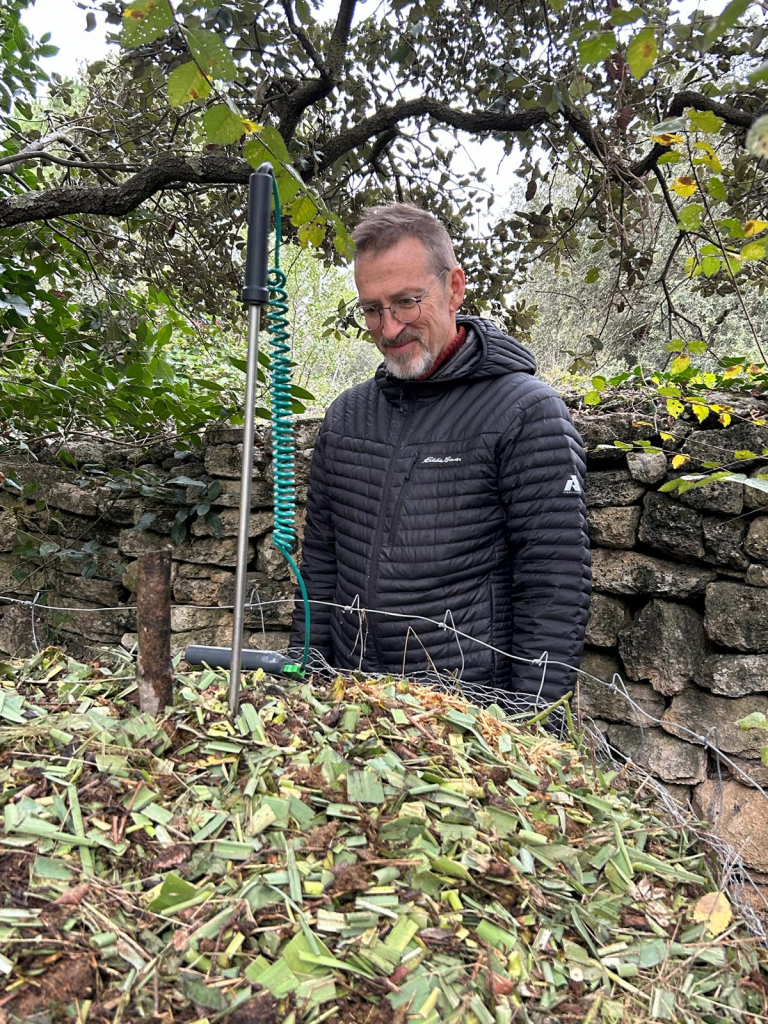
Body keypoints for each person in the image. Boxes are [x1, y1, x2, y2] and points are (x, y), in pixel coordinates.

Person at [290, 203, 591, 704]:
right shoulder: (346, 416)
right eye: (372, 309)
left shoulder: (526, 413)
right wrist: (306, 682)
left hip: (468, 716)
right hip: (349, 704)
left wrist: (535, 723)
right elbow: (321, 565)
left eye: (406, 303)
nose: (389, 329)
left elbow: (554, 586)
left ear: (454, 288)